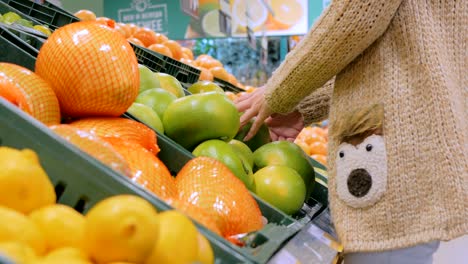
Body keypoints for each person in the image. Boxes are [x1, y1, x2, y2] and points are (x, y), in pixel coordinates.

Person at [235, 0, 467, 263]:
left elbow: (355, 19)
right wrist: (302, 105)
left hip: (397, 159)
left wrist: (279, 91)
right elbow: (383, 50)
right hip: (414, 147)